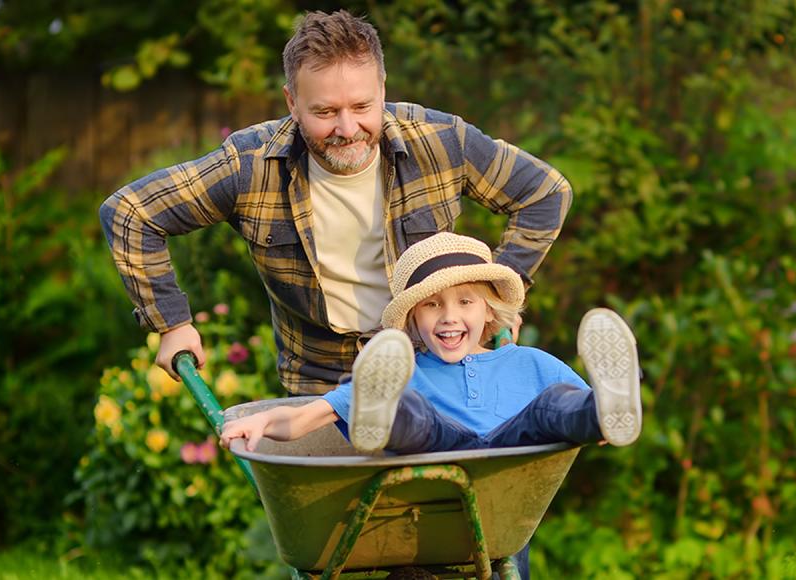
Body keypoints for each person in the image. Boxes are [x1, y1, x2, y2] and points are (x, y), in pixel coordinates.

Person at [99, 10, 573, 395]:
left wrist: (501, 294)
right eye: (325, 112)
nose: (347, 129)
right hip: (322, 383)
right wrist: (172, 324)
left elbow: (545, 192)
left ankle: (584, 405)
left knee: (518, 403)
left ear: (383, 91)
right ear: (292, 102)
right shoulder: (252, 166)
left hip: (436, 364)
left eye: (363, 107)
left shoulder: (441, 142)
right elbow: (131, 213)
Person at [219, 232, 643, 458]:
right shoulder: (406, 371)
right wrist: (262, 423)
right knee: (414, 413)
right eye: (432, 306)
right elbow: (306, 418)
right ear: (413, 320)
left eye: (465, 302)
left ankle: (609, 404)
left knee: (553, 404)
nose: (449, 317)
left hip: (513, 457)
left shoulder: (529, 363)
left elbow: (572, 421)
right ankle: (383, 418)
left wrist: (600, 423)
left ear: (489, 311)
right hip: (440, 455)